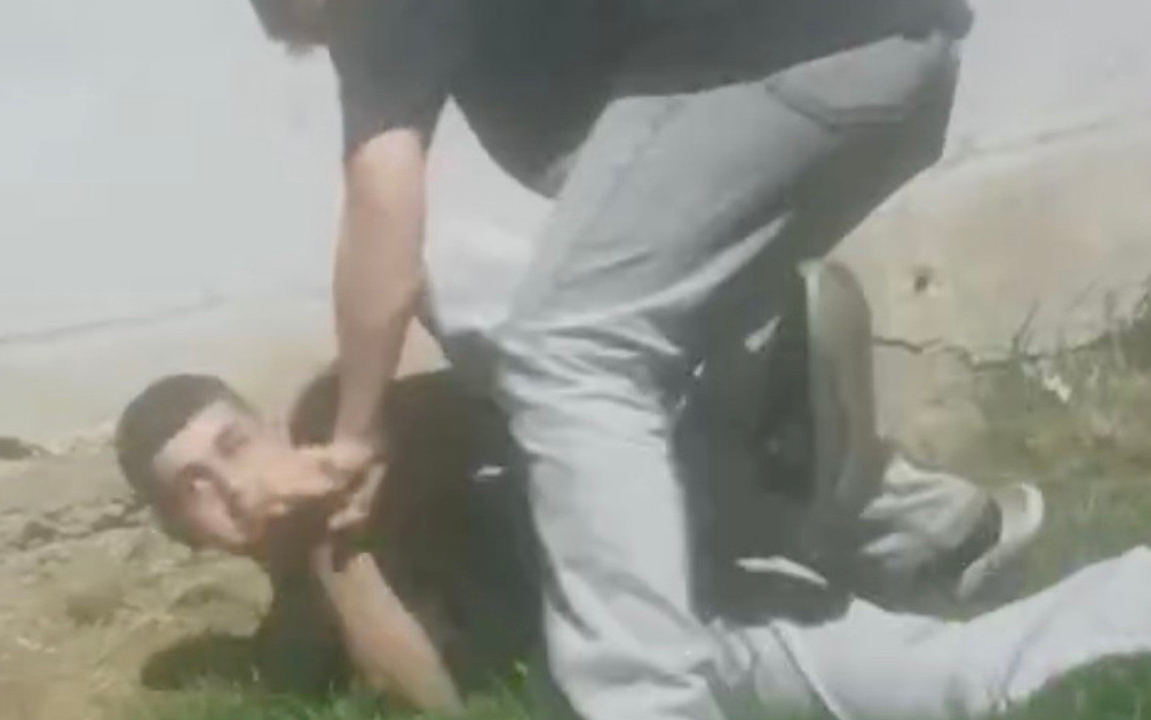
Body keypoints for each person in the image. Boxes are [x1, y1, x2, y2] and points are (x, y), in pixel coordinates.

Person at [237, 2, 991, 717]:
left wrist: (354, 433)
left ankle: (643, 702)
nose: (361, 66)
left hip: (795, 60)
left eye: (327, 34)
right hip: (880, 51)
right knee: (659, 363)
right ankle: (939, 535)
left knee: (568, 350)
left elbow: (381, 207)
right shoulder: (510, 40)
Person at [114, 361, 1151, 720]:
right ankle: (942, 533)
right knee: (956, 675)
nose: (229, 488)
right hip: (654, 656)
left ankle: (878, 500)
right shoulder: (296, 632)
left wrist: (340, 484)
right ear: (180, 535)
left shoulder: (373, 430)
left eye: (233, 446)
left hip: (688, 592)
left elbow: (517, 409)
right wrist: (322, 550)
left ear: (272, 430)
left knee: (969, 685)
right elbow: (434, 703)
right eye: (192, 490)